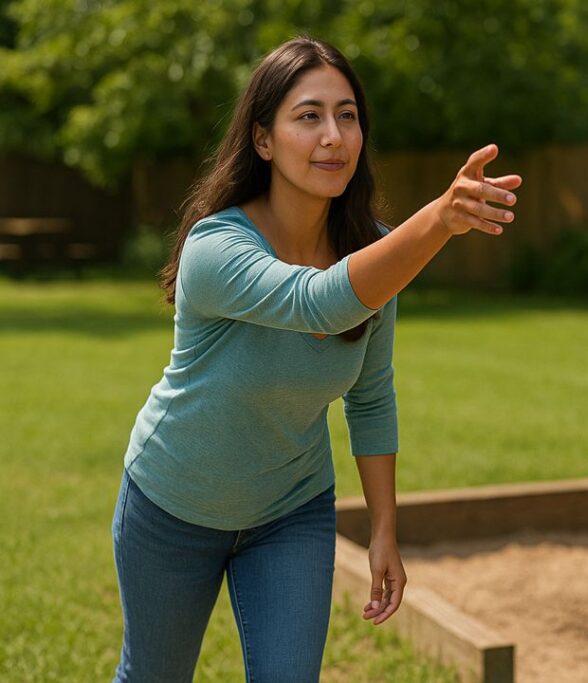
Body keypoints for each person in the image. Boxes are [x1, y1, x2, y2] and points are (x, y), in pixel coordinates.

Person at [111, 35, 521, 682]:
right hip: (173, 502)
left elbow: (372, 392)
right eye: (309, 116)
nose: (334, 135)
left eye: (348, 114)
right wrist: (439, 220)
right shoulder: (216, 247)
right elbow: (318, 303)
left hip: (290, 508)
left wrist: (384, 527)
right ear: (263, 140)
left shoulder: (371, 252)